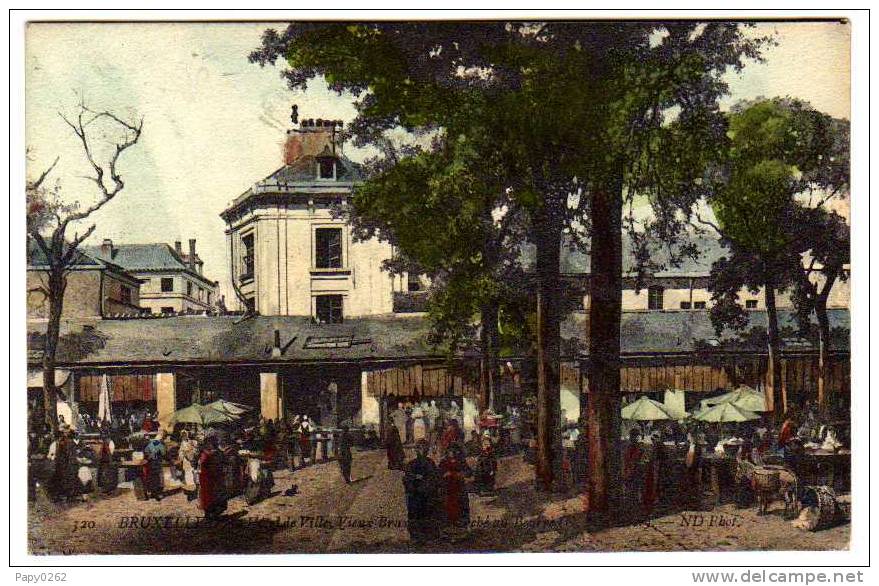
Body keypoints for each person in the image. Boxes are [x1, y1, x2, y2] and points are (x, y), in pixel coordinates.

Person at [403, 440, 441, 542]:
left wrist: (427, 484)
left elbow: (435, 478)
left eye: (424, 448)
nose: (422, 451)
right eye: (419, 448)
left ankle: (429, 535)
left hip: (427, 494)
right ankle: (416, 536)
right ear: (416, 450)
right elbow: (407, 478)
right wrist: (415, 477)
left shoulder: (430, 463)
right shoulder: (412, 464)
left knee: (429, 513)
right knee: (415, 513)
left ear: (427, 450)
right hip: (415, 494)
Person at [439, 443, 472, 528]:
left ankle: (461, 526)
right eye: (450, 451)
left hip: (459, 488)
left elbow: (469, 472)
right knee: (447, 507)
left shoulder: (461, 461)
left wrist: (460, 474)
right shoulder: (443, 462)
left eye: (454, 451)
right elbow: (438, 474)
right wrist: (445, 474)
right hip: (447, 489)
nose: (452, 452)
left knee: (460, 506)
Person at [198, 435, 227, 520]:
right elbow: (224, 462)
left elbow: (202, 462)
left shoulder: (207, 453)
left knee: (210, 494)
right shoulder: (217, 453)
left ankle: (210, 513)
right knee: (212, 494)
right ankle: (212, 512)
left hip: (209, 476)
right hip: (212, 476)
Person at [49, 425, 80, 502]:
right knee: (63, 479)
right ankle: (64, 496)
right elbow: (56, 454)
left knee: (69, 478)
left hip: (68, 463)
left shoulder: (69, 442)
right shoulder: (60, 443)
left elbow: (71, 454)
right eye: (64, 432)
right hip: (62, 463)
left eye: (67, 432)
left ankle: (69, 496)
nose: (66, 433)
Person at [142, 430, 167, 501]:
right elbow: (164, 453)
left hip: (150, 463)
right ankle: (156, 494)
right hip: (156, 463)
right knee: (157, 479)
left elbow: (146, 452)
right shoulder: (160, 444)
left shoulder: (149, 443)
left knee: (152, 478)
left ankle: (153, 493)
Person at [96, 426, 117, 494]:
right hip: (103, 460)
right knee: (103, 474)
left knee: (107, 474)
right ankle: (104, 488)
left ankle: (108, 489)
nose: (102, 436)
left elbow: (111, 452)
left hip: (107, 460)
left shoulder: (109, 442)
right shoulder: (104, 442)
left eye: (103, 434)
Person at [178, 429, 198, 501]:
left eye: (185, 435)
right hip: (186, 461)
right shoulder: (182, 443)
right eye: (183, 435)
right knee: (187, 475)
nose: (184, 437)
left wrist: (191, 449)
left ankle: (194, 490)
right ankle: (190, 491)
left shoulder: (192, 442)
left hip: (192, 460)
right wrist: (183, 454)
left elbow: (196, 449)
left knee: (193, 473)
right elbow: (180, 452)